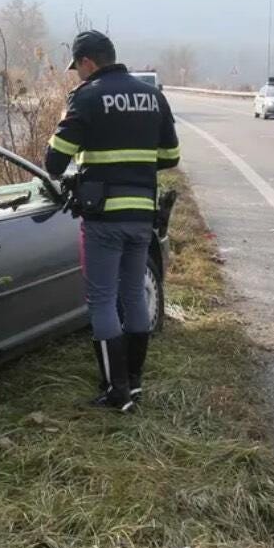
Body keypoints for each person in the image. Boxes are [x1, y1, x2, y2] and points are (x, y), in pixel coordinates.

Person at [45, 31, 180, 410]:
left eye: (77, 68)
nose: (77, 76)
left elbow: (54, 163)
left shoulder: (85, 97)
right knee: (133, 295)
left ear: (88, 62)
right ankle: (134, 384)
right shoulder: (153, 96)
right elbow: (170, 156)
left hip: (103, 219)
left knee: (102, 300)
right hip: (142, 216)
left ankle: (115, 392)